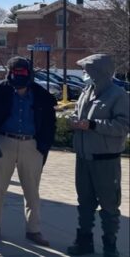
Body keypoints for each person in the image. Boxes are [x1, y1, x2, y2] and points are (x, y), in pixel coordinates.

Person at [0, 56, 55, 245]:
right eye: (15, 72)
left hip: (31, 145)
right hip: (4, 142)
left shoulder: (41, 95)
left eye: (22, 72)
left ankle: (34, 230)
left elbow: (49, 123)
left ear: (29, 73)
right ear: (9, 73)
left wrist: (42, 148)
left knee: (32, 191)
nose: (18, 76)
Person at [66, 54, 129, 257]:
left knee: (109, 206)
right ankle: (84, 242)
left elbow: (122, 126)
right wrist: (73, 121)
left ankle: (110, 245)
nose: (85, 74)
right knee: (84, 203)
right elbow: (77, 115)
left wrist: (93, 125)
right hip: (83, 158)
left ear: (99, 72)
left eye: (87, 70)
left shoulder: (117, 95)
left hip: (105, 160)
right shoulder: (87, 91)